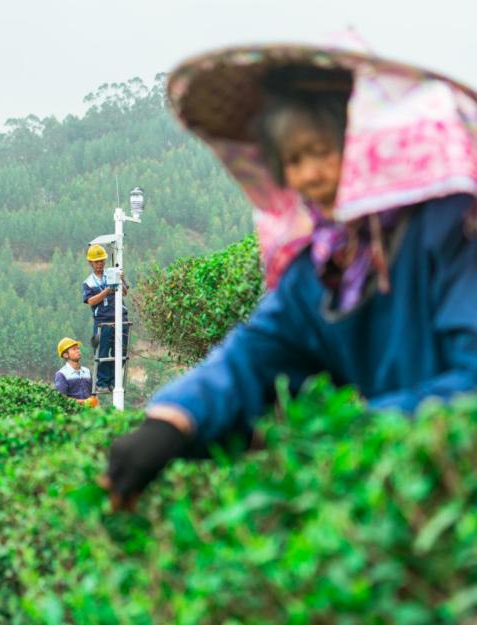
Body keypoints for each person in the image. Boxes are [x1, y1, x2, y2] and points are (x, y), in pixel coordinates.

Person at [102, 42, 477, 511]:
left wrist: (351, 428)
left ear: (363, 145)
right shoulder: (323, 265)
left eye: (321, 152)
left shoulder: (453, 227)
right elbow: (258, 353)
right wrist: (172, 421)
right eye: (293, 161)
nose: (308, 176)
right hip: (400, 496)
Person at [82, 244, 129, 393]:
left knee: (120, 351)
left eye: (101, 261)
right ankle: (102, 382)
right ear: (91, 263)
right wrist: (107, 291)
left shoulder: (112, 274)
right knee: (102, 352)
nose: (99, 264)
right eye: (96, 262)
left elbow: (125, 292)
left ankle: (115, 381)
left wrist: (121, 280)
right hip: (102, 320)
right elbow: (90, 301)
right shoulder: (89, 282)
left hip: (120, 318)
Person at [54, 337, 97, 406]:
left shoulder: (87, 372)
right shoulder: (62, 374)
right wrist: (84, 402)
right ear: (65, 355)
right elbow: (61, 399)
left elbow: (94, 394)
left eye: (78, 348)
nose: (78, 351)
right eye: (74, 349)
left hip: (89, 414)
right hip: (73, 414)